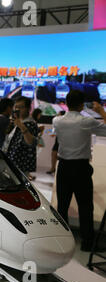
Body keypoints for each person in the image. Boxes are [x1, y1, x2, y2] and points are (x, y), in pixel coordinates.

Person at [53, 90, 106, 252]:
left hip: (63, 167)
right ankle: (87, 243)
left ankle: (62, 242)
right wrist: (101, 112)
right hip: (81, 168)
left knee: (62, 206)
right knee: (85, 206)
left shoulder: (57, 121)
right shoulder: (87, 121)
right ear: (82, 104)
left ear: (66, 103)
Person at [4, 96, 39, 181]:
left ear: (28, 109)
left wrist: (21, 126)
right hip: (11, 163)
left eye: (20, 107)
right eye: (16, 107)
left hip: (21, 165)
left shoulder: (31, 124)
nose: (17, 109)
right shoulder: (15, 121)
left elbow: (31, 142)